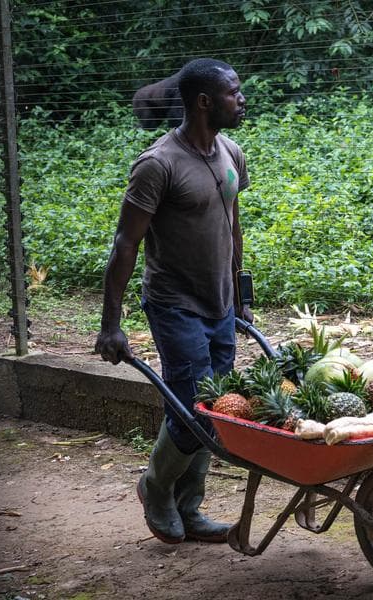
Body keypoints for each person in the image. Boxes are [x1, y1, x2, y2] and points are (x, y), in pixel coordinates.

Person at [95, 58, 251, 544]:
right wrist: (110, 324)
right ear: (203, 102)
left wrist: (240, 294)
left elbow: (233, 223)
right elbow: (125, 244)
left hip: (220, 303)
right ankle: (156, 487)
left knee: (217, 406)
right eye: (233, 92)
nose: (242, 99)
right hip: (174, 303)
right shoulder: (158, 164)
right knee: (193, 407)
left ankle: (191, 507)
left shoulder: (231, 151)